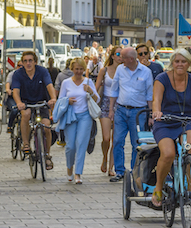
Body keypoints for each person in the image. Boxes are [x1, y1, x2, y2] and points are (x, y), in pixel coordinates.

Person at [149, 49, 191, 207]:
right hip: (165, 121)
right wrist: (157, 111)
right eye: (177, 61)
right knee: (168, 153)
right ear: (172, 63)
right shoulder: (162, 78)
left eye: (183, 61)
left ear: (189, 64)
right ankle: (158, 187)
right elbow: (156, 99)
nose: (180, 64)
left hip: (186, 121)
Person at [107, 47, 153, 182]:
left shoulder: (146, 72)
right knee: (117, 141)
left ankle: (135, 171)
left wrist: (150, 115)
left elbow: (150, 94)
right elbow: (114, 90)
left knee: (136, 143)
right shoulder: (120, 69)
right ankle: (119, 171)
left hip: (138, 112)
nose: (121, 59)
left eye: (123, 57)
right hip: (121, 110)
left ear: (131, 59)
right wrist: (111, 109)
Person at [12, 51, 57, 171]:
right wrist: (19, 103)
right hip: (25, 102)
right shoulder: (18, 74)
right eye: (25, 61)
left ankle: (47, 155)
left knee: (46, 125)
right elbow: (15, 91)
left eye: (30, 60)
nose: (28, 63)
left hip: (41, 102)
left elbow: (49, 85)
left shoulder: (42, 71)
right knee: (25, 115)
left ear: (35, 61)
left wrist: (53, 98)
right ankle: (26, 143)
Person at [57, 58, 98, 184]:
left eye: (81, 69)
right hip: (70, 116)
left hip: (85, 116)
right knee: (70, 145)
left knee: (81, 144)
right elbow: (60, 100)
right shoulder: (66, 83)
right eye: (76, 69)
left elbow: (96, 99)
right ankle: (69, 167)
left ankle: (78, 173)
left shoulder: (88, 81)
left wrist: (90, 91)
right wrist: (67, 101)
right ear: (72, 69)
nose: (79, 71)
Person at [95, 46, 122, 177]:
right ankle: (105, 157)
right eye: (118, 54)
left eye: (122, 54)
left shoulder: (125, 71)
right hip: (105, 104)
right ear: (112, 56)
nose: (120, 56)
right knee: (106, 138)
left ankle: (111, 167)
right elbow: (96, 88)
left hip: (120, 105)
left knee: (115, 139)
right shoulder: (104, 70)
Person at [4, 61, 23, 133]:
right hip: (12, 98)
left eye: (22, 65)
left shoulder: (26, 75)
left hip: (22, 98)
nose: (20, 67)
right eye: (19, 65)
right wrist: (8, 89)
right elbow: (8, 83)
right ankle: (10, 125)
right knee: (14, 109)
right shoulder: (12, 74)